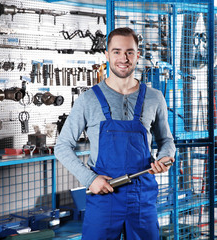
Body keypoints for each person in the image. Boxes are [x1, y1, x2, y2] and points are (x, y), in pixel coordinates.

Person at [54, 27, 176, 240]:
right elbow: (62, 146)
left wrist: (165, 157)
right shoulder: (88, 99)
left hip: (142, 196)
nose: (123, 58)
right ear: (107, 55)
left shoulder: (155, 98)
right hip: (104, 194)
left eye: (129, 52)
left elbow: (166, 140)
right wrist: (90, 179)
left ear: (138, 55)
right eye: (117, 51)